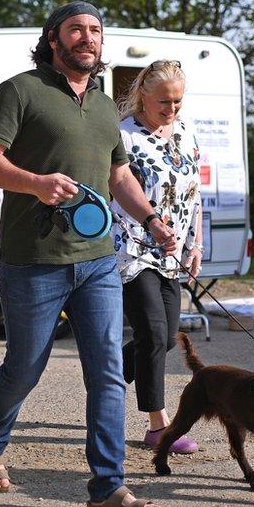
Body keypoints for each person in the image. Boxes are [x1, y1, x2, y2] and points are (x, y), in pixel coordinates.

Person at [0, 2, 176, 507]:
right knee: (25, 366)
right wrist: (36, 183)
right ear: (54, 39)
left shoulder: (106, 106)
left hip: (99, 261)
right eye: (77, 30)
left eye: (95, 31)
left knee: (107, 371)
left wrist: (151, 218)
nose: (88, 38)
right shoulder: (20, 90)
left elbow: (119, 177)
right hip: (33, 260)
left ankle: (108, 488)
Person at [110, 60, 204, 454]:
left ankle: (110, 369)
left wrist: (195, 244)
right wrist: (151, 225)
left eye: (177, 102)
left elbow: (193, 192)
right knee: (151, 333)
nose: (171, 109)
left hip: (173, 251)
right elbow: (115, 189)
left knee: (166, 337)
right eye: (163, 101)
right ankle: (158, 426)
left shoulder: (185, 132)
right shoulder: (124, 136)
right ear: (142, 95)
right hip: (134, 247)